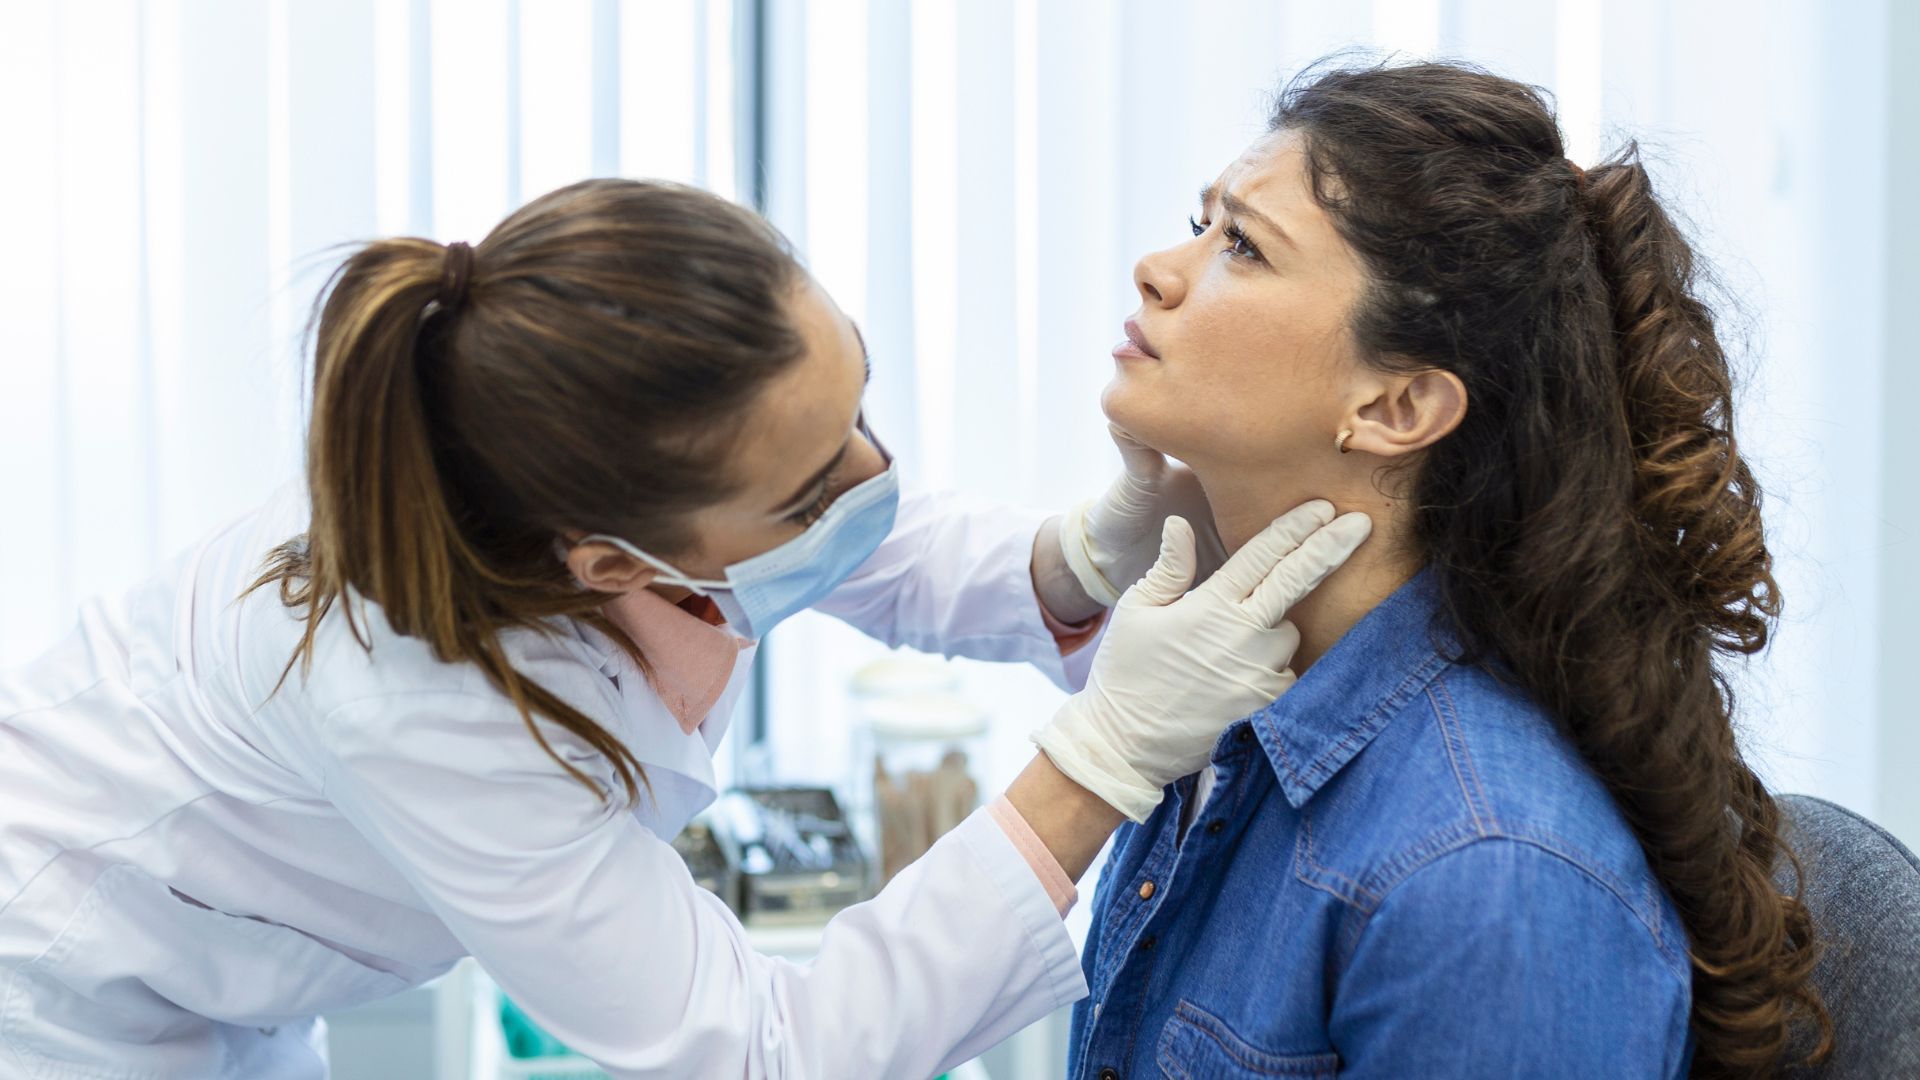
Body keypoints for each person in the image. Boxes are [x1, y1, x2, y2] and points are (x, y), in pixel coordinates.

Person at [0, 178, 1369, 1079]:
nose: (874, 484)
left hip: (239, 978)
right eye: (817, 479)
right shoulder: (417, 697)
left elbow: (851, 543)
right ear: (610, 560)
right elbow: (761, 1055)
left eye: (857, 415)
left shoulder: (618, 458)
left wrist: (1073, 560)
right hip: (83, 1000)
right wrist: (1099, 762)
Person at [1068, 60, 1830, 1078]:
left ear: (1398, 407)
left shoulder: (1487, 877)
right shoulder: (1222, 717)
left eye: (1241, 245)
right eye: (1201, 224)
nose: (1159, 270)